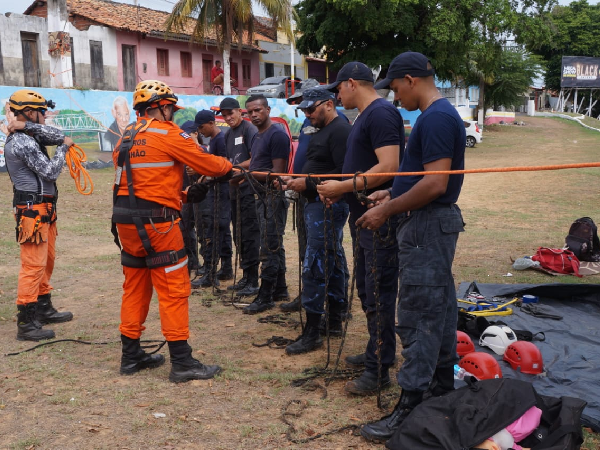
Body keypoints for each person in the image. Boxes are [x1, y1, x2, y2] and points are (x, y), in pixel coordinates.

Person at [355, 52, 466, 442]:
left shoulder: (435, 118)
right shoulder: (437, 115)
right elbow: (423, 177)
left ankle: (412, 404)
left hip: (427, 227)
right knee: (439, 310)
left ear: (411, 79)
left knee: (419, 315)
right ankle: (440, 394)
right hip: (429, 224)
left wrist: (387, 209)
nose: (394, 96)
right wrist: (393, 189)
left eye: (396, 88)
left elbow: (436, 184)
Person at [111, 80, 233, 383]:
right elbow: (209, 164)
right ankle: (182, 362)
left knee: (135, 287)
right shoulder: (167, 133)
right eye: (171, 109)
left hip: (126, 224)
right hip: (158, 226)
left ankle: (131, 355)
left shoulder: (126, 135)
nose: (174, 115)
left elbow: (139, 180)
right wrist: (229, 167)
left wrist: (178, 194)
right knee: (174, 290)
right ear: (161, 107)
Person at [318, 62, 404, 395]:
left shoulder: (380, 114)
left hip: (379, 219)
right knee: (369, 293)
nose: (337, 96)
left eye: (338, 89)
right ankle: (377, 353)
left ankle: (379, 370)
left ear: (352, 83)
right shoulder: (364, 116)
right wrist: (338, 187)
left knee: (379, 292)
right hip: (364, 218)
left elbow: (390, 167)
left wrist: (341, 188)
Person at [282, 88, 351, 355]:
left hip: (328, 205)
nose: (308, 115)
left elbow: (346, 173)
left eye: (311, 109)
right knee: (330, 263)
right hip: (314, 202)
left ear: (329, 105)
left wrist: (307, 182)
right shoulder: (320, 129)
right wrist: (294, 181)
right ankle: (333, 322)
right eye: (304, 111)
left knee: (315, 265)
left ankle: (313, 331)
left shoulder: (340, 130)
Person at [4, 89, 75, 341]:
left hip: (44, 209)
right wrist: (64, 151)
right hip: (32, 211)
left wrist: (23, 124)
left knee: (47, 261)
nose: (46, 116)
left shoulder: (27, 133)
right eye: (42, 111)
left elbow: (58, 134)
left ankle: (43, 307)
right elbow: (50, 172)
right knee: (33, 265)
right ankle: (26, 321)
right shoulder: (22, 141)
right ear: (30, 111)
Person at [243, 94, 290, 314]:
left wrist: (249, 174)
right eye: (250, 111)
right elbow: (256, 163)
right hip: (259, 197)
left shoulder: (277, 135)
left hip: (273, 197)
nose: (253, 115)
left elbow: (277, 174)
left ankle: (266, 295)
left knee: (269, 245)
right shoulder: (256, 136)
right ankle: (280, 289)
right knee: (273, 243)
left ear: (268, 110)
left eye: (257, 110)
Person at [219, 97, 261, 296]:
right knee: (239, 235)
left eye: (231, 113)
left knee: (250, 235)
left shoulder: (249, 130)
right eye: (224, 115)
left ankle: (253, 280)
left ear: (239, 111)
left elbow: (255, 159)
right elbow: (229, 160)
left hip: (249, 190)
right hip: (234, 191)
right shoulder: (228, 134)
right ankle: (245, 276)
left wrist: (232, 168)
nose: (228, 118)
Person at [190, 110, 233, 288]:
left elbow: (223, 168)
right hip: (216, 189)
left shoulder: (221, 140)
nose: (201, 132)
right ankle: (224, 269)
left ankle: (210, 274)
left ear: (211, 123)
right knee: (220, 231)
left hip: (222, 191)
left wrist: (204, 172)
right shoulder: (214, 140)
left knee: (215, 231)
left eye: (201, 127)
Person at [179, 121, 201, 275]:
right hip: (185, 195)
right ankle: (192, 261)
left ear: (196, 134)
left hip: (199, 196)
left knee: (199, 230)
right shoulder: (183, 152)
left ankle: (200, 265)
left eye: (188, 134)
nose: (185, 138)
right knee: (186, 229)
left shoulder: (202, 151)